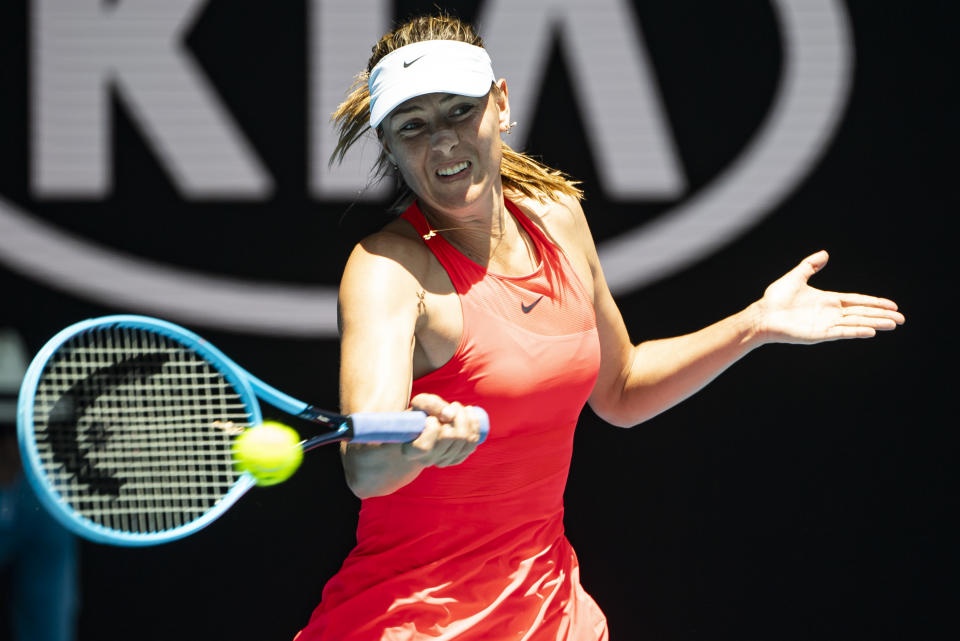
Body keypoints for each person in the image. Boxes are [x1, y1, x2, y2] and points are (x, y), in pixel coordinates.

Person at [295, 14, 904, 641]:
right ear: (388, 144)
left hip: (554, 613)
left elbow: (622, 388)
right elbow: (365, 468)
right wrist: (415, 449)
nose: (443, 142)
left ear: (500, 104)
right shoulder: (386, 270)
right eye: (413, 126)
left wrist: (754, 325)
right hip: (413, 624)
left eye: (458, 111)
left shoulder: (558, 217)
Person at [0, 328, 79, 641]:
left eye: (19, 431)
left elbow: (48, 619)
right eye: (4, 432)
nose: (14, 448)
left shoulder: (46, 496)